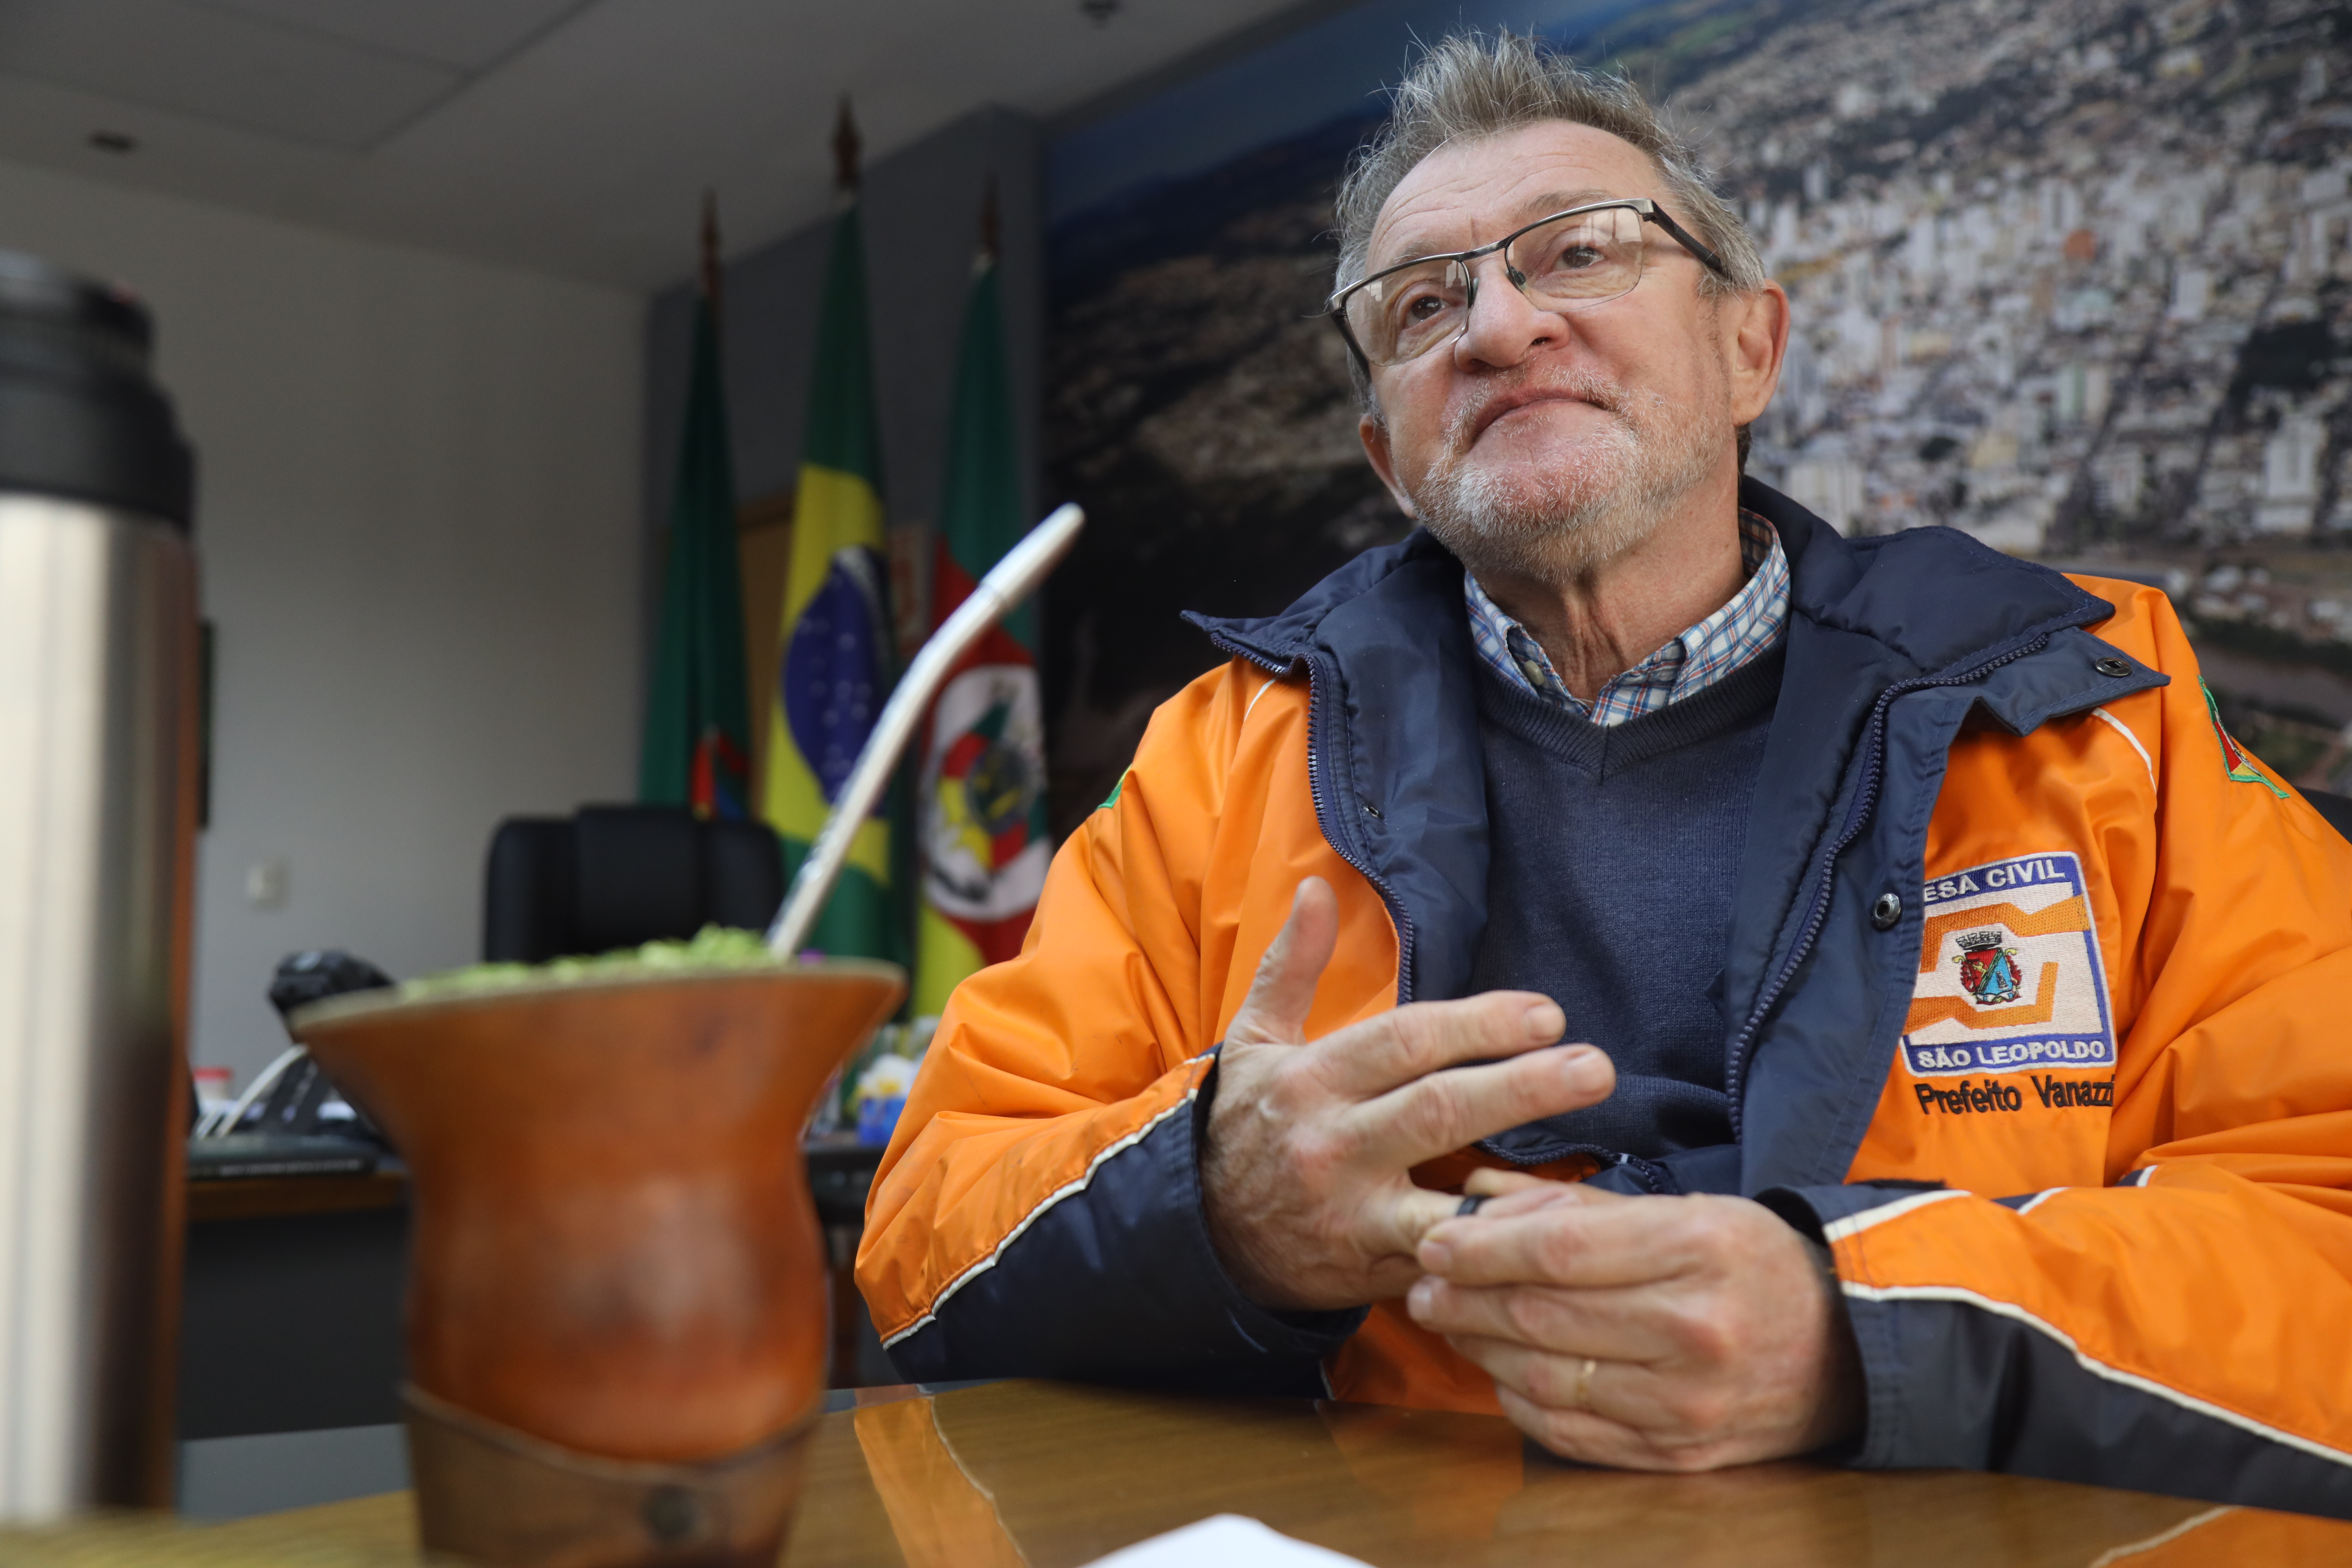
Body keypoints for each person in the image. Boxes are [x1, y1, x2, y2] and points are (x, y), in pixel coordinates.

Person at [856, 32, 2352, 1516]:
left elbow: (2322, 1227)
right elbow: (928, 1219)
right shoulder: (1220, 763)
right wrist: (1213, 1204)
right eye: (1423, 302)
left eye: (1579, 254)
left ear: (1749, 345)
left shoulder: (2097, 721)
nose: (1498, 327)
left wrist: (1866, 1325)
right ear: (1389, 456)